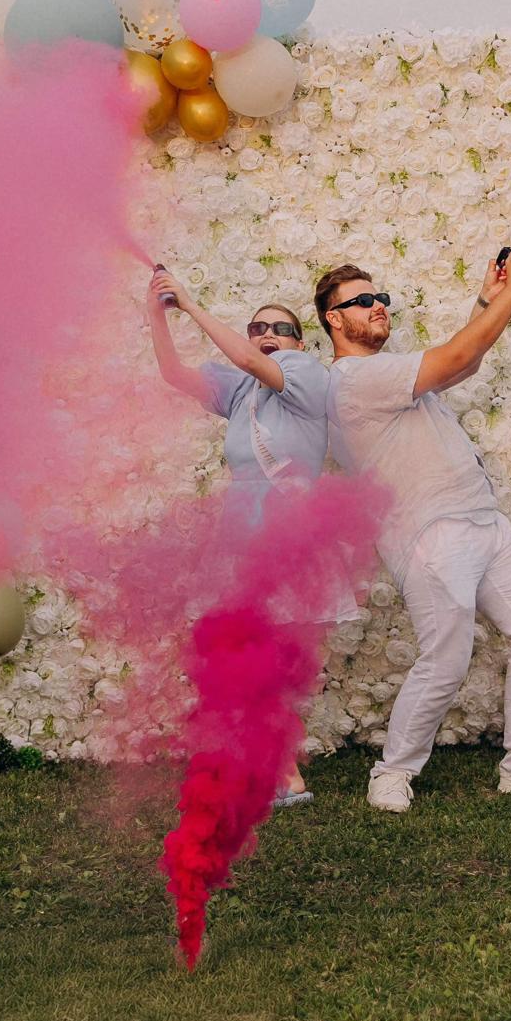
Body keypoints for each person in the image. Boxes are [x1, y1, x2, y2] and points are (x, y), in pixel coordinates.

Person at [317, 254, 511, 812]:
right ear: (333, 320)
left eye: (381, 298)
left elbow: (460, 367)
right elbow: (459, 355)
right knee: (446, 658)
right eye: (362, 302)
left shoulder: (388, 374)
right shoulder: (351, 379)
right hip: (431, 533)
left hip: (484, 521)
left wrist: (486, 302)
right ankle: (392, 773)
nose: (378, 308)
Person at [147, 267, 349, 807]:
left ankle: (283, 774)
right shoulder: (241, 391)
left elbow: (245, 357)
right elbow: (173, 373)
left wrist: (190, 304)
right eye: (257, 326)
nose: (265, 334)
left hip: (287, 528)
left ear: (299, 342)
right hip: (240, 526)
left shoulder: (304, 371)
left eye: (278, 329)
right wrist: (157, 314)